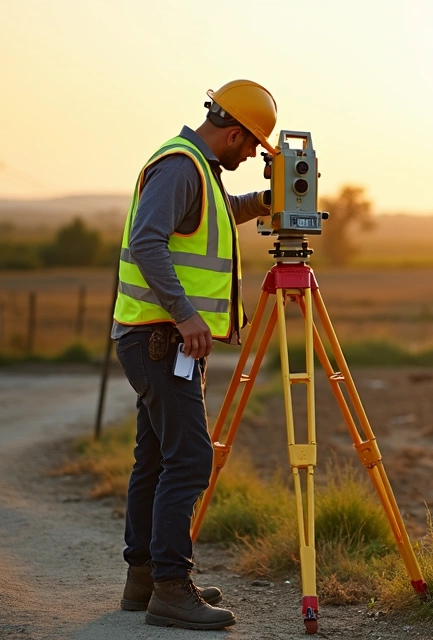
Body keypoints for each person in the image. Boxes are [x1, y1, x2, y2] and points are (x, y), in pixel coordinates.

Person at [110, 79, 277, 630]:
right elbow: (147, 240)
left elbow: (221, 212)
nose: (253, 154)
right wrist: (185, 314)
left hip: (158, 339)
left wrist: (266, 203)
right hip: (162, 337)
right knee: (189, 460)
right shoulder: (182, 167)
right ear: (232, 133)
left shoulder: (198, 170)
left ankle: (145, 580)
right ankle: (172, 588)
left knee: (156, 458)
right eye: (251, 144)